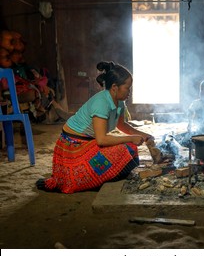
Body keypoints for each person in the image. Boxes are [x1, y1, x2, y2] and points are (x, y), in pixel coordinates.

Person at [36, 61, 155, 193]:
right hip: (73, 147)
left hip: (89, 142)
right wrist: (131, 138)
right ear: (115, 87)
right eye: (127, 88)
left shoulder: (119, 102)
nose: (130, 92)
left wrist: (144, 135)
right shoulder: (102, 102)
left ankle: (103, 177)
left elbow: (122, 125)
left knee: (130, 149)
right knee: (122, 150)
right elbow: (102, 140)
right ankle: (91, 179)